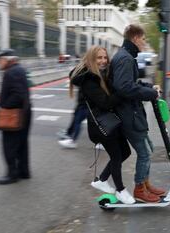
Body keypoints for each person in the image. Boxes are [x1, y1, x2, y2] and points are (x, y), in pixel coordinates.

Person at [71, 46, 135, 204]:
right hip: (102, 126)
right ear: (92, 59)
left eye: (105, 57)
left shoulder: (101, 74)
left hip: (110, 122)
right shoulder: (89, 79)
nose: (103, 61)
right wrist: (123, 92)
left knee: (125, 152)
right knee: (116, 155)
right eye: (99, 58)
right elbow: (105, 103)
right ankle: (120, 190)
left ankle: (102, 180)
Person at [110, 24, 165, 203]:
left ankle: (145, 184)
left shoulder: (126, 56)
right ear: (135, 38)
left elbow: (131, 83)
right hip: (128, 115)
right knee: (144, 153)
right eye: (143, 38)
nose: (144, 42)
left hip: (132, 113)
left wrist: (150, 87)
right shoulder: (125, 58)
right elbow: (124, 87)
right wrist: (150, 94)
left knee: (148, 149)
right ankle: (140, 188)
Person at [0, 49, 32, 185]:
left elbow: (17, 95)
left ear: (7, 60)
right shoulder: (20, 69)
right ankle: (24, 171)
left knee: (9, 145)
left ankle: (12, 174)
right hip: (24, 113)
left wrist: (4, 106)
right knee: (22, 144)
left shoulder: (10, 72)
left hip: (14, 114)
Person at [57, 79, 88, 149]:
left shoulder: (88, 75)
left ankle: (73, 141)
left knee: (78, 121)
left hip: (85, 104)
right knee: (75, 118)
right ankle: (69, 134)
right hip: (82, 103)